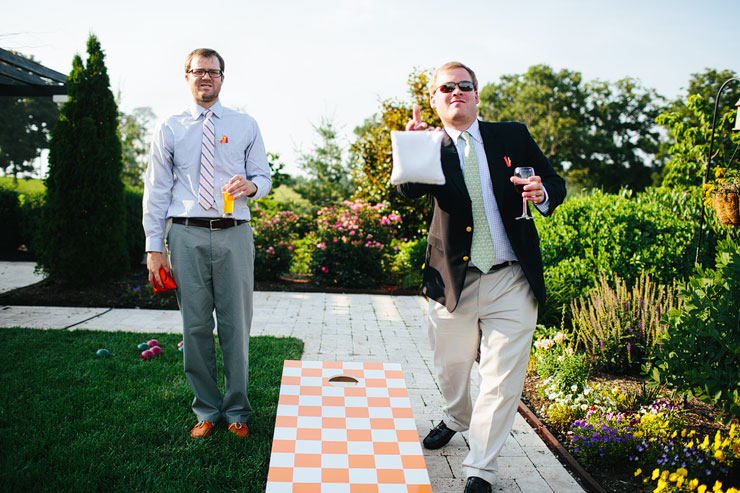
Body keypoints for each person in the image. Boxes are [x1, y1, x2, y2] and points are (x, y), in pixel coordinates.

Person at [398, 61, 565, 493]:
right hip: (453, 281)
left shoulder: (513, 135)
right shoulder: (429, 145)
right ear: (434, 99)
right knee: (450, 369)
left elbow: (553, 179)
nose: (456, 92)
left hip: (511, 279)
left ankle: (480, 470)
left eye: (464, 85)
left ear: (477, 94)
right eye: (446, 87)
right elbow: (407, 190)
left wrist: (544, 192)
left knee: (501, 380)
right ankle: (456, 416)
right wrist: (414, 151)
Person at [143, 48, 272, 439]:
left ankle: (237, 411)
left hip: (235, 233)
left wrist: (252, 186)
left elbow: (264, 177)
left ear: (221, 78)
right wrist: (154, 246)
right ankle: (206, 409)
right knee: (195, 326)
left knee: (236, 326)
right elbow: (157, 190)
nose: (205, 78)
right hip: (185, 233)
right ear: (187, 77)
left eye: (212, 72)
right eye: (198, 71)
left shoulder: (245, 124)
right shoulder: (170, 127)